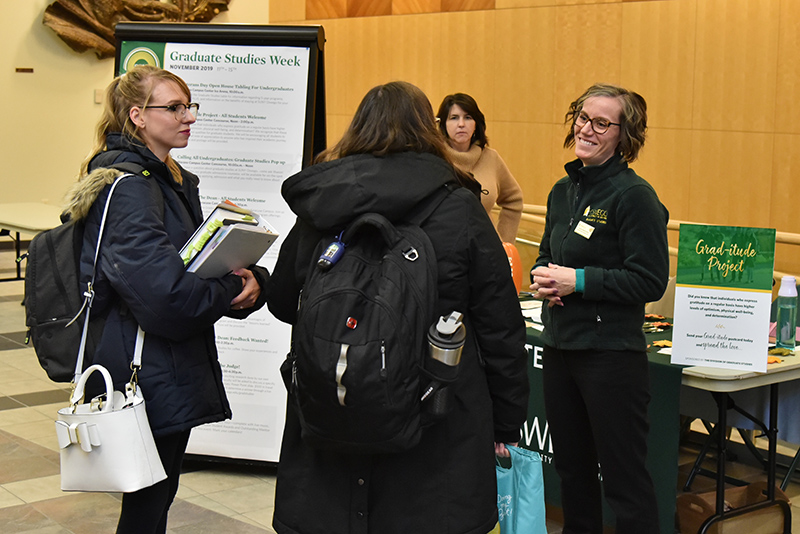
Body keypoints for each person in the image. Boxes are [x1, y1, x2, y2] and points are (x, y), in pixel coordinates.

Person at [265, 81, 529, 534]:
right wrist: (507, 421)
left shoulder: (322, 202)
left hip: (334, 403)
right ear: (428, 130)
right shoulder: (460, 207)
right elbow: (500, 324)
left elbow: (284, 303)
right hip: (436, 410)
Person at [65, 65, 266, 534]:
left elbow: (188, 268)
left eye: (189, 106)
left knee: (153, 499)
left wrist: (252, 277)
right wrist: (235, 288)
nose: (188, 116)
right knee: (147, 503)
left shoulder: (167, 180)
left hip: (165, 363)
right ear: (137, 115)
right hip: (146, 369)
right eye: (173, 107)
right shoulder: (131, 188)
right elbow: (166, 299)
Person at [530, 83, 669, 534]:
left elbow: (648, 279)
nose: (587, 129)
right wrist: (543, 279)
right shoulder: (561, 191)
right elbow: (548, 254)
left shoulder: (635, 197)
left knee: (625, 482)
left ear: (623, 136)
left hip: (610, 356)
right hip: (560, 347)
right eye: (583, 117)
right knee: (572, 472)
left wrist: (579, 280)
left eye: (601, 123)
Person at [436, 93, 523, 243]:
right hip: (443, 250)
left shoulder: (491, 158)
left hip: (485, 251)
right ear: (443, 124)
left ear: (477, 123)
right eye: (454, 118)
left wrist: (505, 244)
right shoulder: (434, 158)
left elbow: (514, 200)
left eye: (468, 117)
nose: (461, 124)